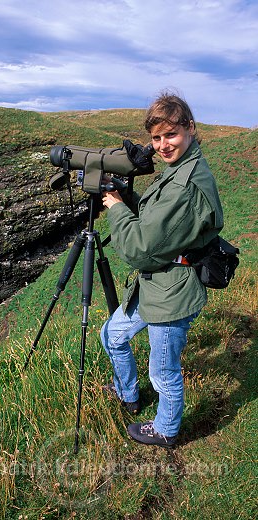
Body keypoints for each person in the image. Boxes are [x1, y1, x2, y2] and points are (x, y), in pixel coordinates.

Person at [100, 92, 223, 447]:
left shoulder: (186, 184)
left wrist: (117, 207)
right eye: (156, 138)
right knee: (113, 335)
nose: (163, 145)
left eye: (171, 134)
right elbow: (159, 222)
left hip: (172, 293)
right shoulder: (179, 169)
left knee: (163, 370)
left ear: (190, 129)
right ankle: (128, 394)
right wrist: (129, 197)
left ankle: (167, 430)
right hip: (156, 285)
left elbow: (141, 249)